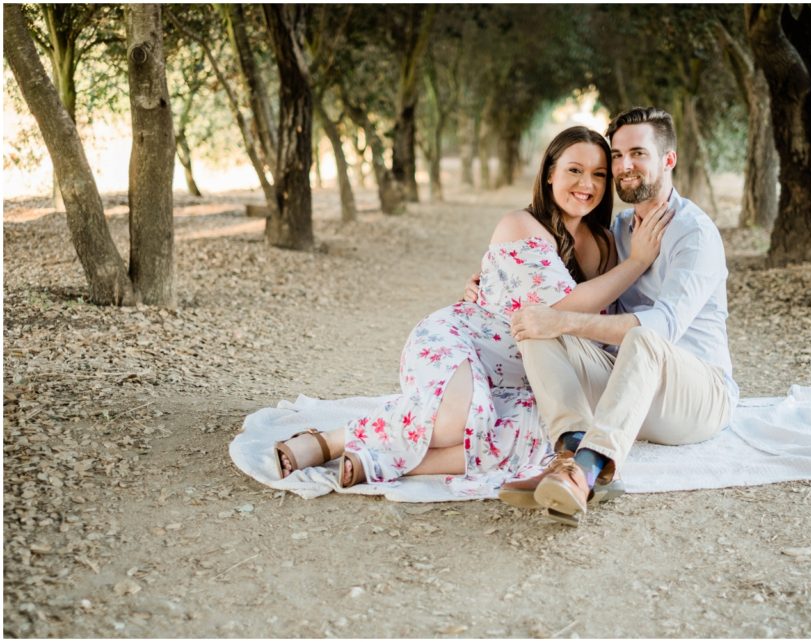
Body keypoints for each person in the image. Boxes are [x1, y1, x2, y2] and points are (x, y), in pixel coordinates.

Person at [275, 126, 673, 489]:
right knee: (453, 423)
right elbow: (562, 310)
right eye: (574, 170)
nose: (587, 184)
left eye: (599, 174)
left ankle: (377, 459)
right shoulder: (520, 225)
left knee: (539, 435)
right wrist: (635, 263)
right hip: (459, 342)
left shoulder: (603, 244)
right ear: (549, 173)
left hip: (523, 377)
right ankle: (329, 440)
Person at [495, 106, 738, 526]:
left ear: (668, 160)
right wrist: (486, 281)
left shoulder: (695, 234)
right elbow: (568, 291)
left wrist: (565, 322)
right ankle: (569, 453)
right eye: (618, 155)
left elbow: (661, 328)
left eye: (638, 153)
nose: (625, 165)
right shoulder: (620, 230)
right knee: (537, 323)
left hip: (698, 396)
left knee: (642, 335)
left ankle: (590, 471)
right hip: (631, 393)